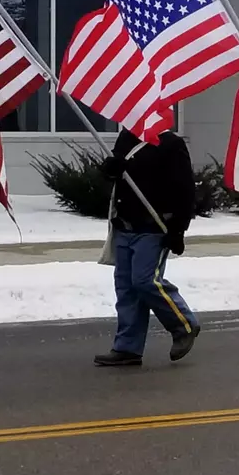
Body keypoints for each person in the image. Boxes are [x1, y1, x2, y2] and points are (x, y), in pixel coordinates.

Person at [93, 127, 201, 367]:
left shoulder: (171, 144)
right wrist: (110, 169)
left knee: (145, 281)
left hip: (154, 227)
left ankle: (184, 325)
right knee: (126, 288)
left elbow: (184, 189)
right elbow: (118, 178)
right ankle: (127, 348)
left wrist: (178, 229)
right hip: (124, 225)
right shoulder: (127, 138)